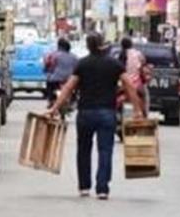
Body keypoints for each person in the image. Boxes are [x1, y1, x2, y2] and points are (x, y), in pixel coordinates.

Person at [47, 33, 144, 200]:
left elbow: (69, 87)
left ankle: (84, 187)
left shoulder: (82, 64)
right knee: (105, 150)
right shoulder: (114, 64)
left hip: (85, 113)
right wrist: (137, 109)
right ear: (102, 45)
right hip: (107, 113)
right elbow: (129, 85)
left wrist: (55, 108)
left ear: (88, 46)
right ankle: (102, 189)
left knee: (83, 149)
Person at [120, 36, 152, 118]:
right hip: (136, 84)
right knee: (145, 96)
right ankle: (145, 115)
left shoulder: (121, 54)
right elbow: (143, 65)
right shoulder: (137, 54)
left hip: (123, 84)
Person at [44, 38, 78, 107]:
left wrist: (46, 70)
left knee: (48, 82)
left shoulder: (53, 55)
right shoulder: (74, 57)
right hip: (69, 80)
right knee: (75, 88)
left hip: (55, 79)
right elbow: (77, 68)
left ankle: (50, 100)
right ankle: (73, 100)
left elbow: (48, 65)